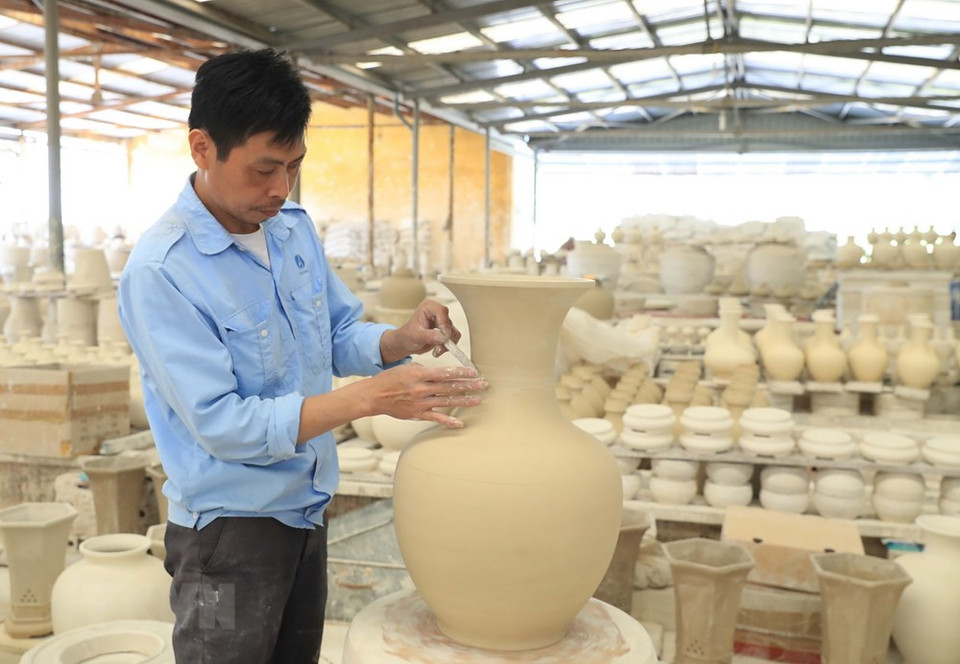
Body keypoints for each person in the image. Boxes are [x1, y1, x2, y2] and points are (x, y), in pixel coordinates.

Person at [117, 48, 486, 664]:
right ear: (202, 147)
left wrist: (398, 340)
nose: (280, 187)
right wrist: (367, 399)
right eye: (264, 169)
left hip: (307, 507)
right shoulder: (162, 272)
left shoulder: (290, 229)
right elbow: (223, 425)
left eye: (293, 167)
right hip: (228, 534)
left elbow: (338, 333)